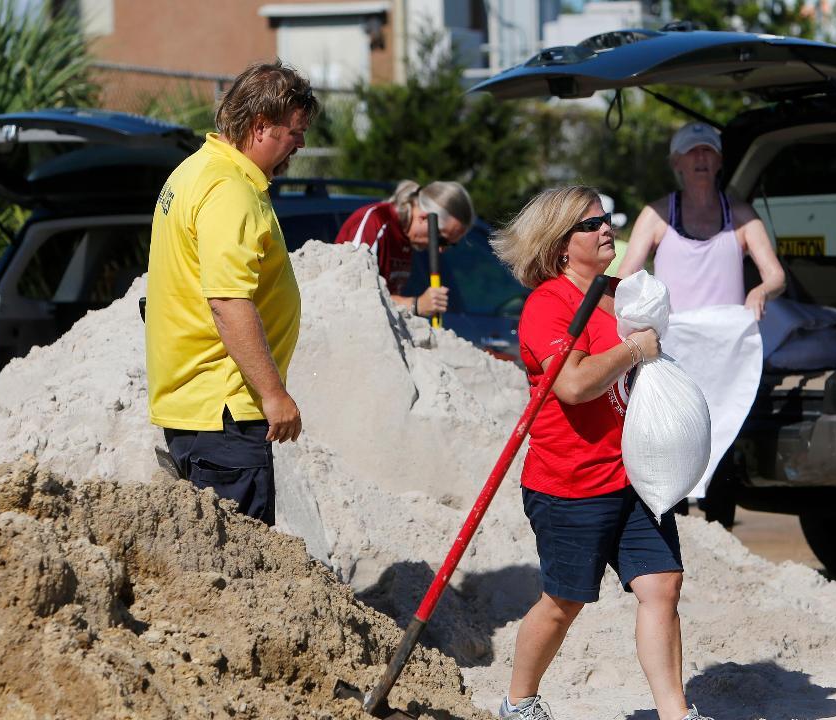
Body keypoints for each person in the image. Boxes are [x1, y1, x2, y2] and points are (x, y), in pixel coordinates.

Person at [490, 185, 711, 720]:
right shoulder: (548, 306)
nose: (605, 228)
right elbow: (572, 385)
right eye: (590, 224)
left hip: (635, 475)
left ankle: (675, 714)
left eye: (605, 218)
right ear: (560, 245)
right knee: (564, 602)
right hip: (570, 482)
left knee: (662, 585)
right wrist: (634, 348)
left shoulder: (622, 294)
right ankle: (518, 702)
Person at [145, 60, 318, 526]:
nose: (300, 144)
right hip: (224, 414)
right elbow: (227, 301)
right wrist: (273, 394)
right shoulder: (229, 191)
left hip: (199, 409)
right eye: (294, 133)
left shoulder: (196, 170)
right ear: (260, 126)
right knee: (240, 560)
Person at [616, 121, 786, 527]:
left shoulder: (740, 215)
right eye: (692, 152)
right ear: (676, 162)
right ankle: (673, 527)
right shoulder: (657, 214)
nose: (701, 159)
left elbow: (776, 276)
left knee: (720, 433)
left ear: (720, 161)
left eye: (708, 151)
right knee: (673, 436)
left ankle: (717, 529)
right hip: (673, 348)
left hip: (726, 352)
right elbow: (627, 275)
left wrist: (761, 291)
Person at [334, 180, 474, 317]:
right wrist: (415, 305)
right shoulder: (376, 221)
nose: (440, 250)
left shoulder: (406, 238)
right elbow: (352, 292)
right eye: (441, 240)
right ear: (423, 217)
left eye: (451, 244)